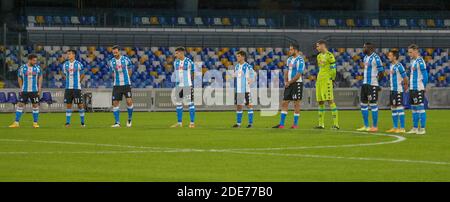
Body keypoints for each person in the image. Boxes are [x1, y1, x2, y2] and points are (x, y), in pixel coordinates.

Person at [273, 44, 305, 129]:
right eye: (289, 49)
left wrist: (289, 82)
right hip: (289, 84)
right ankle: (281, 124)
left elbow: (299, 74)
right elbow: (287, 71)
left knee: (296, 103)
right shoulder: (289, 59)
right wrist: (285, 81)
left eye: (291, 50)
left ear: (296, 50)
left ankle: (295, 124)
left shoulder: (300, 60)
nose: (289, 51)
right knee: (284, 102)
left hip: (297, 84)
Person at [356, 42, 384, 132]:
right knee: (363, 104)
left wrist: (377, 83)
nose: (363, 49)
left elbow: (381, 72)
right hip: (365, 84)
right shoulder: (365, 57)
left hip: (372, 84)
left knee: (373, 105)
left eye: (364, 47)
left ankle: (375, 126)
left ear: (370, 48)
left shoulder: (376, 58)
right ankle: (366, 126)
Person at [9, 54, 43, 128]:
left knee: (35, 105)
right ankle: (16, 123)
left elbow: (40, 77)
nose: (35, 62)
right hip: (24, 90)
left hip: (34, 91)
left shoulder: (37, 68)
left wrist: (39, 88)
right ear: (29, 60)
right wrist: (21, 88)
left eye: (36, 60)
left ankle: (35, 123)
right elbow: (19, 78)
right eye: (34, 60)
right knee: (20, 105)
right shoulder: (22, 68)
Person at [314, 40, 339, 130]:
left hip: (327, 81)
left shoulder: (330, 56)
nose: (316, 48)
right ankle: (321, 124)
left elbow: (333, 69)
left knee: (330, 101)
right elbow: (321, 68)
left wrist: (332, 79)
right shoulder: (319, 56)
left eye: (318, 46)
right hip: (319, 81)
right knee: (320, 102)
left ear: (322, 45)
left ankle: (336, 124)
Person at [109, 45, 134, 128]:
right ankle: (117, 123)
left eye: (116, 52)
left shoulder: (126, 59)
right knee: (115, 103)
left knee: (129, 102)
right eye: (113, 52)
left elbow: (130, 70)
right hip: (117, 85)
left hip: (126, 84)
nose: (115, 53)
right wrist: (116, 80)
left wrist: (127, 80)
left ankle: (129, 119)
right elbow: (112, 73)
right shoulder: (111, 62)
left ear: (119, 51)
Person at [171, 47, 196, 128]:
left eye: (177, 53)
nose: (176, 55)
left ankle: (192, 123)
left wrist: (190, 82)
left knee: (190, 104)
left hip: (187, 85)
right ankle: (179, 123)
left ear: (181, 53)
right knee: (178, 104)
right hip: (179, 85)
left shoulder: (189, 62)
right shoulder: (175, 62)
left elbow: (193, 73)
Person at [406, 44, 428, 135]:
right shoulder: (413, 61)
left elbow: (425, 75)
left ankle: (422, 129)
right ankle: (415, 128)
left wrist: (424, 86)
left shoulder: (420, 61)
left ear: (416, 51)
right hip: (412, 88)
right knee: (414, 108)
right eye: (409, 52)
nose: (409, 54)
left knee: (420, 108)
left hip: (418, 88)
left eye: (411, 52)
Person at [61, 49, 86, 127]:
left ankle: (82, 122)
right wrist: (67, 79)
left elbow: (83, 73)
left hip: (76, 88)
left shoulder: (78, 64)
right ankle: (68, 123)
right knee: (68, 105)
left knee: (80, 105)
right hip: (68, 88)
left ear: (73, 55)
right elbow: (63, 74)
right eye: (67, 54)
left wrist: (79, 81)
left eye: (69, 54)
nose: (68, 55)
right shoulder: (65, 64)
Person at [386, 49, 408, 133]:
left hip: (398, 90)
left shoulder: (399, 66)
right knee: (393, 108)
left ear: (394, 57)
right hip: (392, 90)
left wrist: (406, 86)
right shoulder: (392, 66)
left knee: (399, 108)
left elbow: (405, 77)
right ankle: (395, 127)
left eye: (390, 55)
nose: (388, 57)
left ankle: (402, 128)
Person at [232, 50, 255, 128]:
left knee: (249, 105)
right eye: (237, 56)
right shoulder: (237, 66)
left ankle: (250, 123)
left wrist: (250, 81)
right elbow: (235, 75)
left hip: (246, 90)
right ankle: (238, 123)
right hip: (238, 90)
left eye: (238, 56)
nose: (237, 57)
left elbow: (253, 75)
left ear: (243, 57)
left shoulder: (248, 66)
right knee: (239, 106)